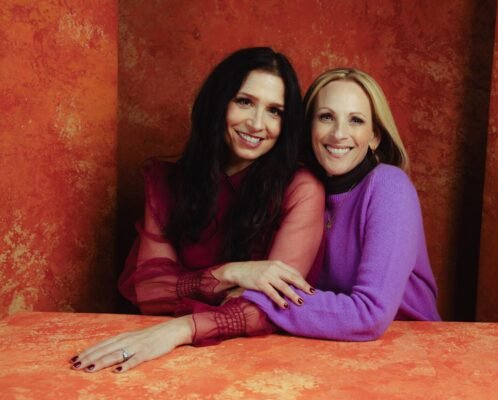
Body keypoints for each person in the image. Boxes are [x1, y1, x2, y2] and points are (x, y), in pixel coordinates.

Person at [69, 47, 324, 373]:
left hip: (257, 362)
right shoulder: (167, 181)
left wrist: (178, 329)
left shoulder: (301, 189)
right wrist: (231, 273)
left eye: (274, 111)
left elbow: (270, 308)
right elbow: (147, 290)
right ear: (218, 102)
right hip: (169, 358)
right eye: (244, 102)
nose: (257, 123)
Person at [242, 68, 441, 339]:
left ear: (374, 137)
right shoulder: (302, 190)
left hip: (408, 345)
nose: (338, 134)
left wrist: (254, 297)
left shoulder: (389, 187)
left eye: (356, 120)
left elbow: (370, 315)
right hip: (328, 345)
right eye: (326, 117)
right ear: (308, 128)